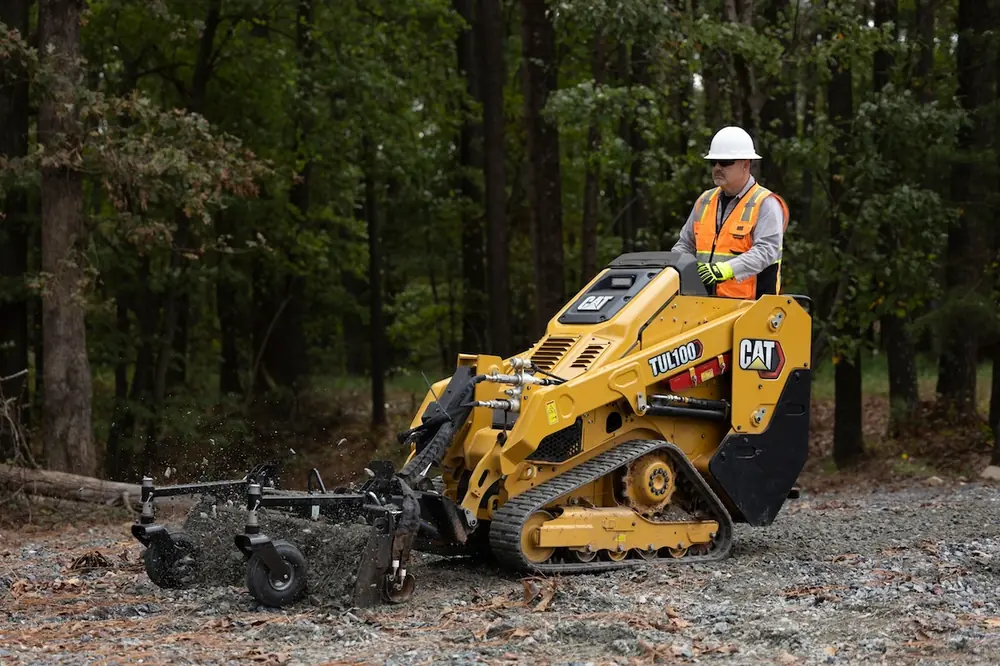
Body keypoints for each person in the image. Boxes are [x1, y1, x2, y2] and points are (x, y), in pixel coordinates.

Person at [672, 126, 790, 299]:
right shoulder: (704, 201)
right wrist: (677, 268)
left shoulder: (766, 203)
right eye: (714, 162)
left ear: (745, 164)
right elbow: (685, 244)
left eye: (726, 162)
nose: (718, 167)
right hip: (702, 305)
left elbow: (767, 250)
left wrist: (727, 269)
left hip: (751, 309)